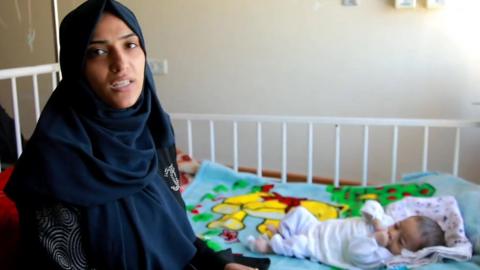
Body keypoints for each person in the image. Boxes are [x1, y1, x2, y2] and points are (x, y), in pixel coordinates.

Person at [5, 1, 258, 269]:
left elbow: (175, 229)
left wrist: (219, 265)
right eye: (98, 51)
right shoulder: (52, 165)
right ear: (76, 66)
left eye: (130, 45)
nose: (120, 63)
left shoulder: (153, 129)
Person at [247, 200, 445, 269]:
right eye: (398, 225)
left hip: (317, 246)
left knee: (297, 244)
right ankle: (283, 230)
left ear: (408, 254)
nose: (392, 233)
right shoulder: (384, 223)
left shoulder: (381, 256)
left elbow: (355, 253)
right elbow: (370, 205)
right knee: (299, 212)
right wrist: (376, 220)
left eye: (401, 241)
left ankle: (270, 246)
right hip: (319, 227)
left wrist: (375, 240)